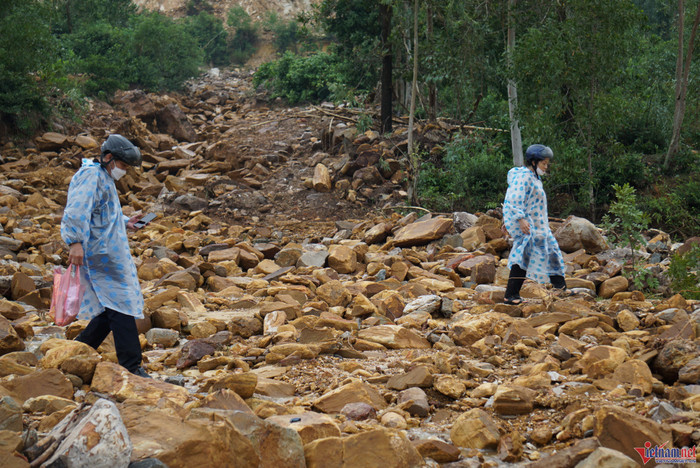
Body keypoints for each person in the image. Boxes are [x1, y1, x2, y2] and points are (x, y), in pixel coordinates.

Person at [60, 134, 150, 377]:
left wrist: (126, 222)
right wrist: (75, 242)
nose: (124, 170)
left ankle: (79, 350)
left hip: (109, 253)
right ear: (108, 157)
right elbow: (77, 210)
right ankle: (131, 366)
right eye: (123, 165)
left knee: (111, 308)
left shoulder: (103, 176)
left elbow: (103, 214)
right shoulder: (91, 176)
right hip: (100, 255)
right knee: (121, 305)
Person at [502, 144, 568, 305]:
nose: (546, 167)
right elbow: (513, 198)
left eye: (547, 163)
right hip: (528, 225)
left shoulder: (534, 178)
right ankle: (510, 295)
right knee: (524, 256)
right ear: (533, 162)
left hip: (539, 226)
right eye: (543, 163)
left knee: (552, 252)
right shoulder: (523, 176)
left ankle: (560, 288)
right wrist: (520, 218)